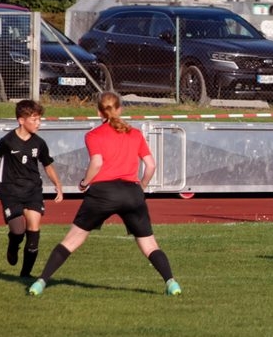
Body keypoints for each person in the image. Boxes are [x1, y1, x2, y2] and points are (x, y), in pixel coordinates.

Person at [27, 91, 181, 297]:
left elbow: (97, 162)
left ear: (99, 112)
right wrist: (141, 187)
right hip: (132, 193)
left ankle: (40, 282)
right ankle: (172, 283)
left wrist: (84, 183)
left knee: (71, 241)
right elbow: (151, 165)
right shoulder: (135, 134)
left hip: (102, 193)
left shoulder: (94, 135)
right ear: (120, 109)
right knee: (149, 244)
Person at [0, 100, 64, 277]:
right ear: (21, 121)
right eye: (34, 119)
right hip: (10, 190)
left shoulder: (39, 143)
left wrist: (58, 185)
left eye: (39, 119)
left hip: (33, 190)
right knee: (18, 231)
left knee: (34, 230)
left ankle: (25, 275)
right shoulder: (7, 141)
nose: (38, 123)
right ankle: (13, 244)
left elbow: (47, 165)